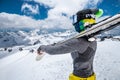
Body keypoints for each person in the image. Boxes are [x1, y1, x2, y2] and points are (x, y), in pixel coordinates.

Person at [37, 8, 103, 80]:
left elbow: (53, 51)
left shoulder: (79, 42)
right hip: (91, 76)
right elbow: (66, 43)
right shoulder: (92, 40)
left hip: (79, 78)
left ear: (83, 22)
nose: (74, 23)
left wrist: (42, 47)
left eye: (75, 19)